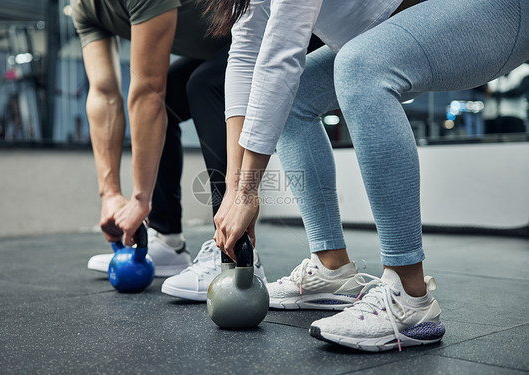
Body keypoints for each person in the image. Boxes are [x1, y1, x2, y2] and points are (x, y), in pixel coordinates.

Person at [208, 0, 529, 351]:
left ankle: (409, 298)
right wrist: (234, 188)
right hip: (401, 25)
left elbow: (281, 55)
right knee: (297, 96)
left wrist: (247, 192)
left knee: (360, 64)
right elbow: (244, 63)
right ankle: (332, 270)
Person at [70, 0, 267, 291]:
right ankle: (169, 240)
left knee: (203, 85)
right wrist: (109, 194)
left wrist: (139, 199)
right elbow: (103, 94)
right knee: (168, 99)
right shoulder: (82, 7)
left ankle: (234, 248)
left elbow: (147, 88)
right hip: (225, 44)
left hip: (271, 29)